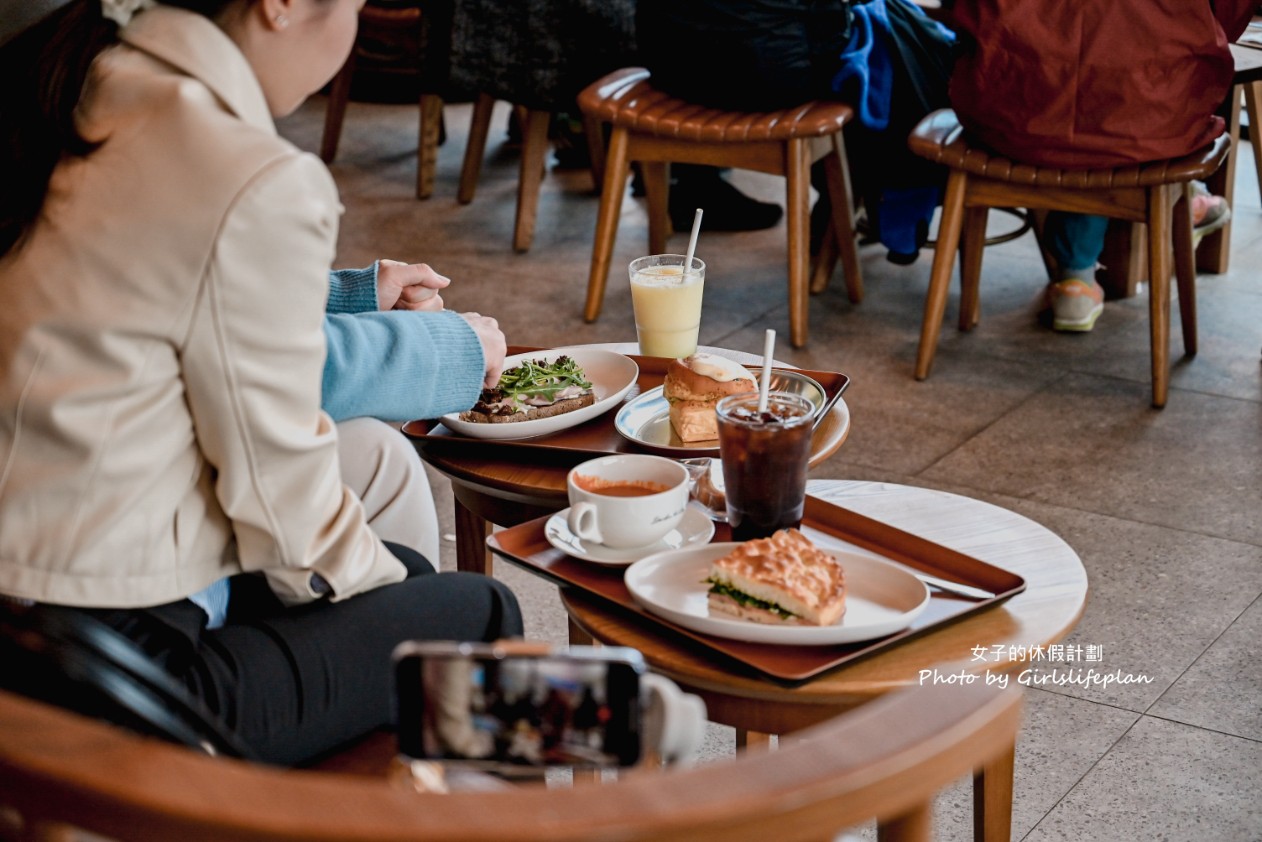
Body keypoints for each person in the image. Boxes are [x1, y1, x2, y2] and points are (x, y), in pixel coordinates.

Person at [0, 0, 523, 767]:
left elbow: (180, 305)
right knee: (480, 609)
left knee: (405, 583)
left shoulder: (82, 80)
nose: (351, 34)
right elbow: (280, 496)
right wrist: (380, 587)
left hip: (37, 611)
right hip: (114, 677)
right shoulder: (246, 171)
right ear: (281, 4)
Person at [943, 0, 1251, 332]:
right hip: (1148, 114)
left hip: (1013, 112)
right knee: (1133, 95)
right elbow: (1229, 15)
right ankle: (1178, 199)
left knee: (1083, 89)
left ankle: (1077, 276)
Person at [635, 0, 957, 258]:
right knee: (877, 46)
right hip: (773, 78)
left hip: (670, 65)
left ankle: (699, 187)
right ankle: (843, 206)